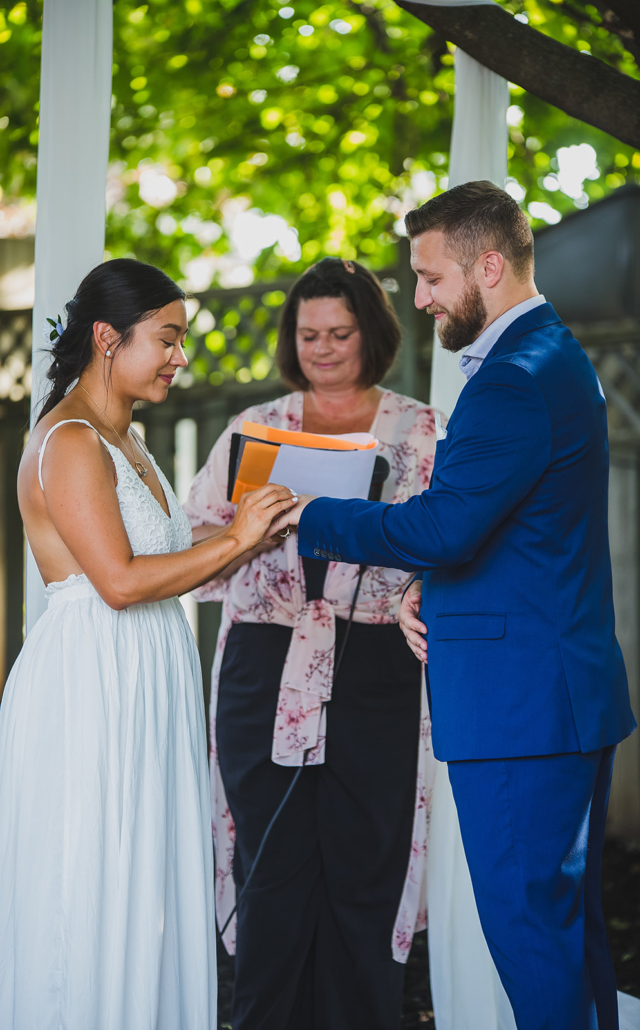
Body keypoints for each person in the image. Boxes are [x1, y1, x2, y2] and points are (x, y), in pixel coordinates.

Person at [275, 182, 637, 1030]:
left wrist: (306, 512)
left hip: (521, 711)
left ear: (488, 264)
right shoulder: (550, 356)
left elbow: (446, 526)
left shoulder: (512, 378)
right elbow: (520, 536)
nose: (419, 296)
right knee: (562, 927)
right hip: (555, 696)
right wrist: (424, 591)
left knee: (527, 932)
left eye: (431, 277)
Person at [0, 259, 295, 1030]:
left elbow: (158, 555)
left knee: (143, 876)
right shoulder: (72, 441)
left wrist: (254, 530)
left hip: (145, 672)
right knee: (91, 877)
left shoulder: (129, 438)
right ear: (108, 338)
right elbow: (117, 580)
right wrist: (238, 538)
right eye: (168, 339)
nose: (181, 357)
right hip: (92, 683)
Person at [183, 257, 440, 1030]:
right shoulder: (254, 428)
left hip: (377, 664)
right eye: (307, 335)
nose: (322, 348)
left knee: (367, 854)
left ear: (373, 334)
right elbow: (195, 542)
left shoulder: (420, 427)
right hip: (266, 661)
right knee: (271, 859)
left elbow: (448, 541)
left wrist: (423, 585)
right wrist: (246, 524)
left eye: (339, 333)